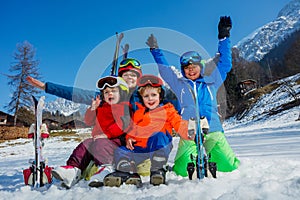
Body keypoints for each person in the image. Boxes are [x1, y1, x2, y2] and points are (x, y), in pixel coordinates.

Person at [145, 16, 240, 177]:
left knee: (228, 165)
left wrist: (224, 37)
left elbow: (225, 64)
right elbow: (166, 71)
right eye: (187, 67)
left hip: (212, 128)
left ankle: (211, 156)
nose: (191, 70)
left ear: (200, 67)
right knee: (182, 169)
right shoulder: (180, 84)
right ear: (183, 70)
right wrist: (156, 51)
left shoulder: (212, 81)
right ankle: (192, 158)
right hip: (188, 130)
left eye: (194, 66)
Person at [103, 75, 193, 187]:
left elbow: (179, 124)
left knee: (158, 135)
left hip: (158, 146)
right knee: (121, 151)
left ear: (160, 96)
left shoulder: (168, 110)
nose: (150, 99)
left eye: (153, 95)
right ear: (141, 98)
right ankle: (124, 171)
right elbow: (132, 129)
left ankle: (157, 170)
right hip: (140, 147)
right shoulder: (138, 113)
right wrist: (129, 138)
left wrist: (189, 132)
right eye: (146, 96)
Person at [51, 76, 132, 189]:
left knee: (101, 143)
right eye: (106, 92)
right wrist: (93, 109)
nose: (110, 94)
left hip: (116, 140)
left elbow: (122, 124)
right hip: (98, 140)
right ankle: (73, 170)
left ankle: (105, 169)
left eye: (114, 91)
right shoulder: (101, 107)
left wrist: (107, 135)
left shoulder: (123, 107)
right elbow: (89, 121)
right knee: (85, 145)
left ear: (122, 93)